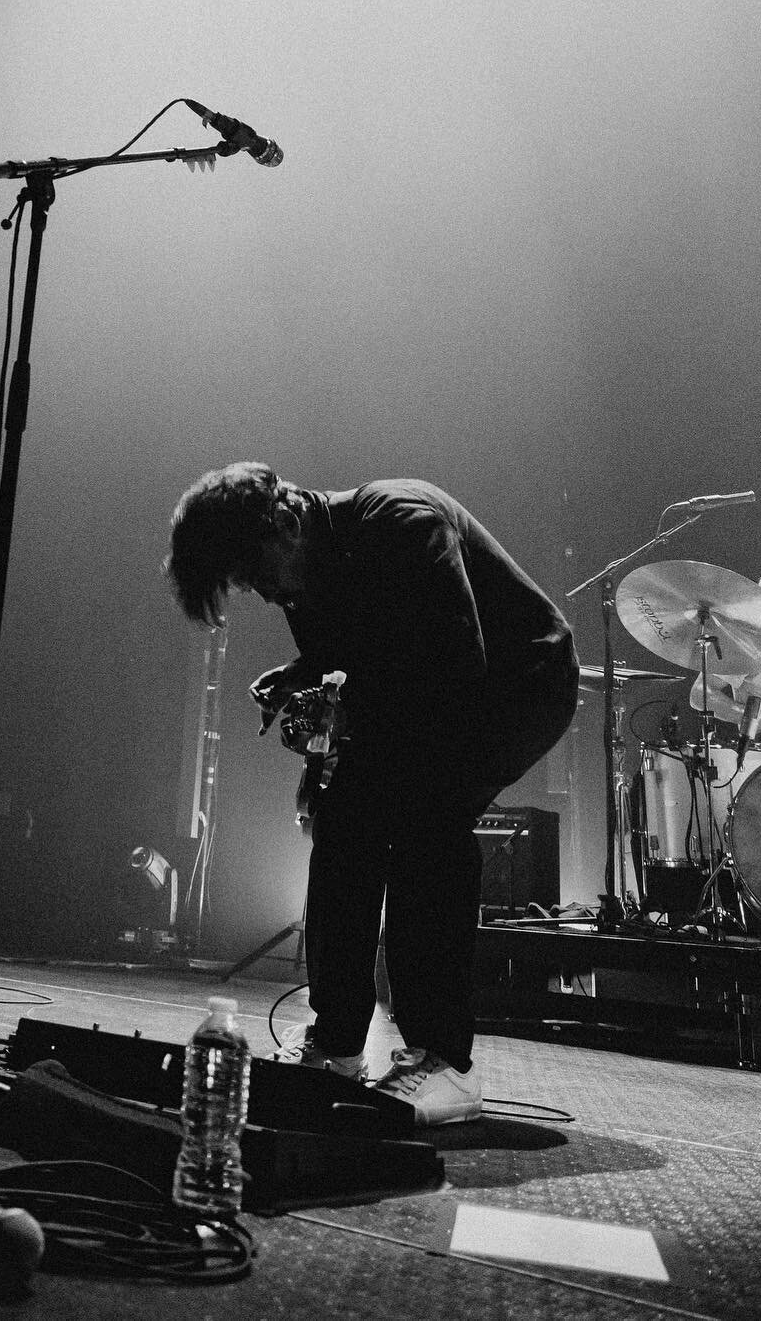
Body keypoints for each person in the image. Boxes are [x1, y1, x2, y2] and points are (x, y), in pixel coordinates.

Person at [164, 464, 578, 1125]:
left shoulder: (404, 522)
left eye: (259, 574)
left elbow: (452, 663)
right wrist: (304, 681)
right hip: (428, 689)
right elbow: (359, 660)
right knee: (341, 822)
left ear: (288, 521)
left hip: (517, 679)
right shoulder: (303, 579)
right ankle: (336, 1044)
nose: (266, 594)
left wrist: (348, 713)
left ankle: (445, 1063)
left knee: (427, 823)